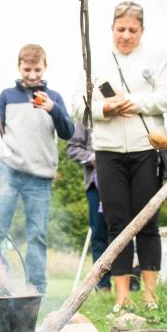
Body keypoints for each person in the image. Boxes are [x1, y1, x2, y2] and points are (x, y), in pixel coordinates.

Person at [74, 2, 167, 313]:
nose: (126, 35)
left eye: (133, 30)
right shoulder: (97, 62)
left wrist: (133, 102)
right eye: (121, 29)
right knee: (116, 223)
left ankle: (149, 295)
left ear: (142, 31)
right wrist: (105, 108)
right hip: (108, 152)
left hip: (146, 148)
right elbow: (79, 104)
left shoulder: (156, 59)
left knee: (147, 222)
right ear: (112, 29)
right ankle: (121, 297)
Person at [0, 44, 75, 294]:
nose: (32, 75)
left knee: (37, 235)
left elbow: (68, 132)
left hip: (40, 176)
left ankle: (36, 287)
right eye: (27, 69)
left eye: (37, 70)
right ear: (19, 67)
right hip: (10, 170)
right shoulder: (6, 95)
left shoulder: (55, 98)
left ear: (45, 67)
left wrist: (53, 110)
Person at [66, 120, 111, 291]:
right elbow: (72, 147)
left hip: (123, 183)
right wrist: (90, 158)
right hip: (95, 184)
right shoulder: (86, 119)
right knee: (99, 234)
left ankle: (129, 282)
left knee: (123, 230)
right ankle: (103, 284)